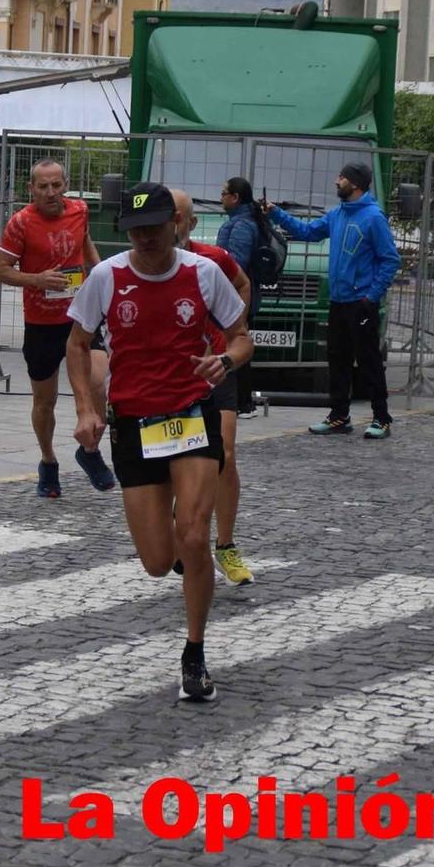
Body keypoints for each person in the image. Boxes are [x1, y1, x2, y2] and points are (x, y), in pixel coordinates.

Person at [66, 181, 251, 704]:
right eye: (136, 229)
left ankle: (194, 651)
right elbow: (77, 342)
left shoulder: (203, 274)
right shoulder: (108, 277)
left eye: (155, 227)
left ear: (177, 225)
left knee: (194, 536)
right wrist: (85, 406)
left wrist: (227, 360)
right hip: (136, 425)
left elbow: (242, 335)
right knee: (154, 561)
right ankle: (178, 540)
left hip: (192, 415)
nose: (146, 238)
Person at [0, 158, 112, 497]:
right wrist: (36, 279)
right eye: (42, 186)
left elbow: (84, 242)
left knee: (99, 385)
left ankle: (89, 452)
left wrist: (100, 273)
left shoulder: (80, 210)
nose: (50, 193)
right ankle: (48, 461)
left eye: (56, 185)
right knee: (44, 402)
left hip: (80, 316)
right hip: (42, 323)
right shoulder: (20, 223)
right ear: (31, 189)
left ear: (65, 185)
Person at [264, 162, 401, 440]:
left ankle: (381, 418)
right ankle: (339, 415)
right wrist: (276, 213)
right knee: (337, 360)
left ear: (356, 184)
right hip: (338, 301)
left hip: (361, 303)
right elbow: (308, 232)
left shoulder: (374, 217)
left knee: (369, 362)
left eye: (342, 177)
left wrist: (371, 296)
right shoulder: (337, 214)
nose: (336, 181)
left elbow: (390, 260)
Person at [172, 189, 257, 587]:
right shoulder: (141, 263)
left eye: (179, 217)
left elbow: (243, 284)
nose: (171, 224)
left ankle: (225, 544)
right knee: (174, 454)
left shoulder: (214, 258)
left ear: (191, 223)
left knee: (224, 452)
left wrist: (231, 331)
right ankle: (184, 532)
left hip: (217, 367)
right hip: (171, 373)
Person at [213, 175, 270, 418]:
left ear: (235, 198)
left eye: (224, 193)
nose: (221, 198)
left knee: (238, 345)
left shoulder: (241, 226)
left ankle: (243, 403)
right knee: (239, 344)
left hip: (237, 299)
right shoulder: (243, 221)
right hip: (238, 298)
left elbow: (234, 263)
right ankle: (243, 402)